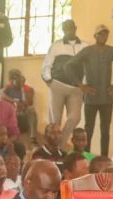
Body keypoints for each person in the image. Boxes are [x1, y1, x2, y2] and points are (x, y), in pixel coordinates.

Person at [67, 25, 113, 157]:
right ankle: (87, 157)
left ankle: (104, 158)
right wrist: (81, 85)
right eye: (100, 34)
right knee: (88, 130)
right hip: (91, 98)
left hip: (107, 98)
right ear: (95, 36)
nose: (103, 37)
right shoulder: (87, 51)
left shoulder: (111, 51)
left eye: (106, 35)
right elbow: (69, 66)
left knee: (105, 131)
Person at [42, 19, 86, 149]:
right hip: (58, 85)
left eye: (70, 28)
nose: (68, 31)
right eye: (65, 29)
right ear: (63, 31)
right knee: (54, 120)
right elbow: (47, 64)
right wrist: (49, 80)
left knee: (75, 118)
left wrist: (84, 84)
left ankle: (60, 147)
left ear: (75, 28)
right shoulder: (56, 45)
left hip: (76, 89)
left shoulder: (84, 46)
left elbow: (87, 67)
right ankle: (51, 148)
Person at [2, 69, 36, 143]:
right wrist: (15, 101)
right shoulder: (8, 88)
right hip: (11, 115)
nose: (15, 81)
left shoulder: (28, 89)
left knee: (31, 110)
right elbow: (2, 95)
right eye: (13, 79)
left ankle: (33, 137)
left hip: (22, 116)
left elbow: (30, 103)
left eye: (18, 78)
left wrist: (22, 89)